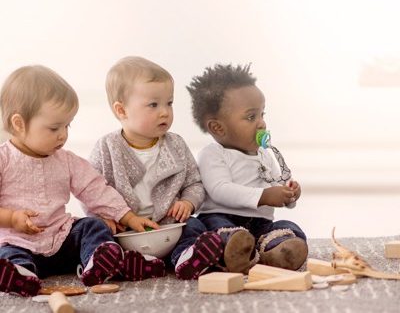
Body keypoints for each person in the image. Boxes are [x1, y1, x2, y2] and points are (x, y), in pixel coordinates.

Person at [0, 65, 163, 297]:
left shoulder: (66, 160)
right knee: (7, 255)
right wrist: (12, 218)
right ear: (19, 124)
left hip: (62, 237)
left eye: (67, 125)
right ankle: (20, 276)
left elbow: (94, 188)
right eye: (54, 128)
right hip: (20, 242)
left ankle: (99, 262)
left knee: (92, 226)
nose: (63, 135)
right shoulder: (4, 159)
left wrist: (128, 216)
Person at [89, 56, 223, 280]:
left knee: (196, 225)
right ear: (122, 110)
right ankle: (119, 263)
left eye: (169, 103)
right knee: (92, 229)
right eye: (153, 105)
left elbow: (194, 182)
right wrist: (104, 216)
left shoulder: (176, 144)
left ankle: (186, 257)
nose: (164, 112)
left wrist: (188, 202)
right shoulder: (107, 148)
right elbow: (90, 190)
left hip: (169, 227)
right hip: (125, 231)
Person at [186, 64, 308, 274]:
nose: (261, 123)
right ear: (218, 128)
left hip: (260, 223)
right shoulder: (213, 153)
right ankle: (233, 248)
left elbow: (274, 184)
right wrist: (264, 196)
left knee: (289, 227)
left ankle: (273, 249)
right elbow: (220, 189)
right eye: (251, 117)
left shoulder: (264, 154)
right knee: (214, 231)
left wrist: (288, 194)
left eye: (262, 114)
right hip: (222, 217)